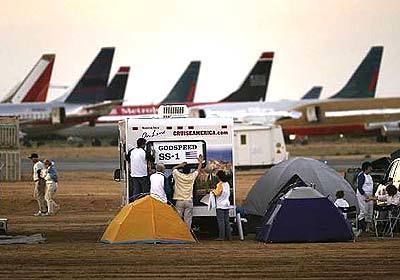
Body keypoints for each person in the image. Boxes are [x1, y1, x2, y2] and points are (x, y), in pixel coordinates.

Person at [172, 155, 203, 229]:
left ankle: (179, 235)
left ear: (182, 170)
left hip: (179, 201)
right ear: (189, 171)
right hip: (189, 201)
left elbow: (173, 168)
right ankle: (187, 236)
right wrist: (200, 162)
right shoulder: (192, 177)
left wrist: (181, 165)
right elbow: (198, 170)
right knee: (188, 220)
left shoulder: (178, 175)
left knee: (178, 219)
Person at [212, 170, 232, 241]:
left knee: (221, 221)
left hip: (220, 205)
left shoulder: (220, 184)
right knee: (227, 221)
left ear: (219, 177)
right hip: (227, 204)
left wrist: (212, 191)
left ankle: (221, 237)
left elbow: (217, 193)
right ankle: (229, 236)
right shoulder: (227, 184)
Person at [356, 161, 374, 232]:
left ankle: (368, 228)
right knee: (364, 211)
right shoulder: (361, 176)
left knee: (370, 211)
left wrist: (371, 196)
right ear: (367, 168)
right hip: (362, 196)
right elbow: (360, 187)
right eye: (370, 167)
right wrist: (365, 196)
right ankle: (359, 227)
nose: (371, 169)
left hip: (370, 196)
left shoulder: (370, 176)